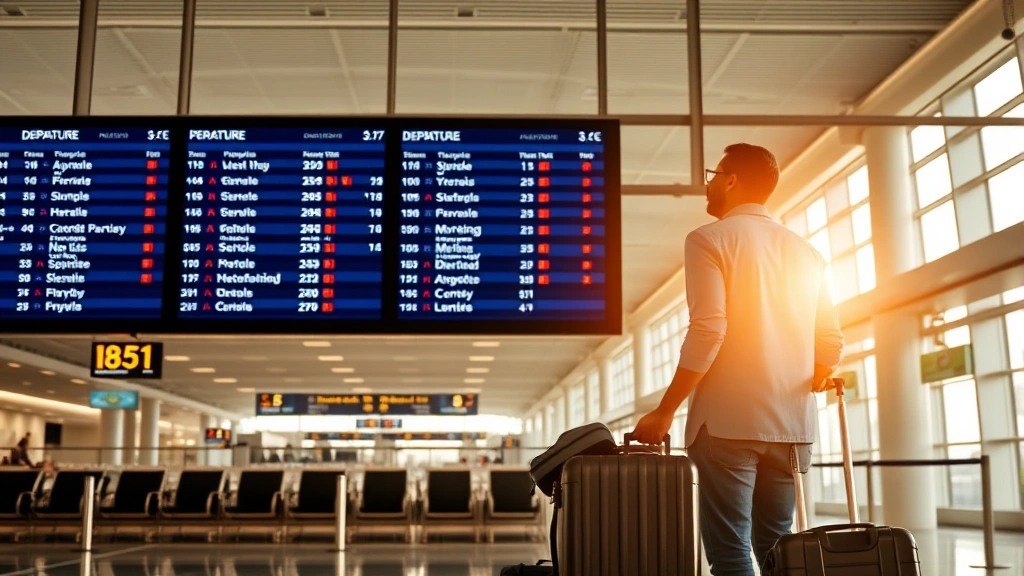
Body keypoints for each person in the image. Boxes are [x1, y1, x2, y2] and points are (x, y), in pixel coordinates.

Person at [631, 143, 844, 576]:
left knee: (730, 552)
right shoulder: (808, 252)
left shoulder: (709, 239)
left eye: (714, 173)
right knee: (777, 546)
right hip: (790, 428)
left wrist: (665, 410)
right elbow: (831, 341)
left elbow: (709, 329)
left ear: (730, 180)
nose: (708, 183)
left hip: (728, 422)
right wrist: (817, 373)